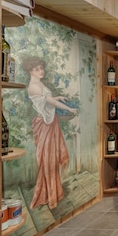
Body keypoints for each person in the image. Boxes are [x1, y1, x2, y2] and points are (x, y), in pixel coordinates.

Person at [22, 56, 77, 209]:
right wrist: (68, 109)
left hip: (49, 123)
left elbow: (46, 99)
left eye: (41, 68)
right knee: (47, 160)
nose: (41, 71)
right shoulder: (33, 86)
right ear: (30, 71)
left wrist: (57, 97)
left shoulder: (38, 84)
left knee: (51, 159)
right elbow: (48, 102)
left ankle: (54, 193)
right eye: (37, 69)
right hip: (44, 125)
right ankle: (48, 195)